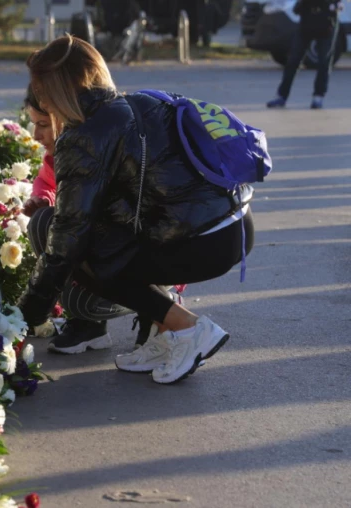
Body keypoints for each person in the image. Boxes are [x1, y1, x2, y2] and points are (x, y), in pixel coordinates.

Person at [18, 35, 255, 384]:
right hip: (234, 228)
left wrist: (22, 320)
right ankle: (167, 335)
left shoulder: (84, 132)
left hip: (200, 240)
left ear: (52, 92)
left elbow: (68, 238)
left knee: (62, 234)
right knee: (99, 237)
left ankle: (188, 329)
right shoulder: (136, 103)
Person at [22, 86, 150, 355]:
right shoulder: (59, 156)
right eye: (34, 124)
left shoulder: (101, 151)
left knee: (68, 236)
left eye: (43, 124)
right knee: (44, 223)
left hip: (143, 257)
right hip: (107, 252)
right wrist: (43, 199)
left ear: (65, 117)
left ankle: (160, 306)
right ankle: (89, 325)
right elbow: (47, 182)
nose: (36, 135)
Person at [266, 0, 342, 109]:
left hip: (327, 22)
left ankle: (318, 97)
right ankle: (281, 96)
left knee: (324, 62)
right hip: (307, 19)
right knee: (293, 60)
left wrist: (336, 5)